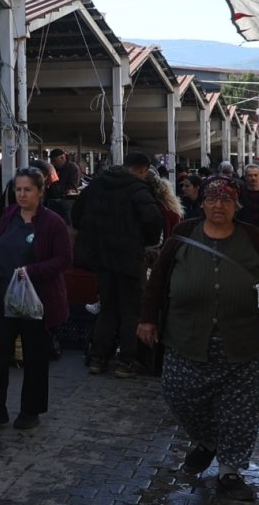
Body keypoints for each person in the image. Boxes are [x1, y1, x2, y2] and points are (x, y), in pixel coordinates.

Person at [137, 177, 259, 502]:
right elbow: (158, 281)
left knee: (242, 410)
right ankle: (207, 440)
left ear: (236, 205)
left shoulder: (251, 237)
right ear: (202, 203)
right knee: (179, 394)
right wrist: (148, 319)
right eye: (211, 199)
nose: (217, 205)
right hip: (186, 338)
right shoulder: (183, 235)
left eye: (225, 200)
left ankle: (229, 469)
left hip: (244, 343)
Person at [0, 167, 71, 431]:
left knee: (35, 356)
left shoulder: (53, 223)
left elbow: (64, 259)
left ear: (41, 191)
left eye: (28, 189)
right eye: (18, 189)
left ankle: (31, 411)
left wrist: (31, 271)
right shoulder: (7, 216)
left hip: (36, 301)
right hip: (1, 297)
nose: (22, 194)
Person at [72, 151, 163, 378]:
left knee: (108, 306)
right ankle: (126, 361)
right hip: (129, 257)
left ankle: (98, 358)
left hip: (102, 257)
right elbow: (152, 218)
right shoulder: (138, 188)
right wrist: (147, 240)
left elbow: (76, 213)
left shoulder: (98, 183)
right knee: (131, 309)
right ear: (142, 169)